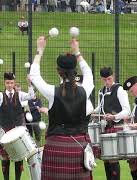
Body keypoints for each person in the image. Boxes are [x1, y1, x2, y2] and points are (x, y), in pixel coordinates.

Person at [29, 36, 94, 179]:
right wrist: (77, 52)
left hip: (56, 147)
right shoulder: (85, 89)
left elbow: (33, 75)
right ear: (75, 70)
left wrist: (40, 50)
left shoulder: (53, 92)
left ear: (58, 71)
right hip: (78, 146)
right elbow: (89, 73)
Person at [0, 71, 35, 180]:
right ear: (4, 83)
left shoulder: (20, 95)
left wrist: (29, 84)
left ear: (14, 83)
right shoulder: (0, 96)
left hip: (17, 132)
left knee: (18, 158)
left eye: (11, 83)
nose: (9, 85)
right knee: (5, 158)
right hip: (5, 132)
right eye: (7, 83)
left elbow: (31, 96)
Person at [94, 66, 130, 180]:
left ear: (113, 76)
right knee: (106, 158)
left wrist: (114, 116)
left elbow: (127, 110)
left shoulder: (119, 89)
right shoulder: (101, 91)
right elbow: (100, 107)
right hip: (104, 128)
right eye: (104, 80)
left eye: (109, 79)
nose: (107, 82)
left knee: (113, 158)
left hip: (115, 126)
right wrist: (90, 113)